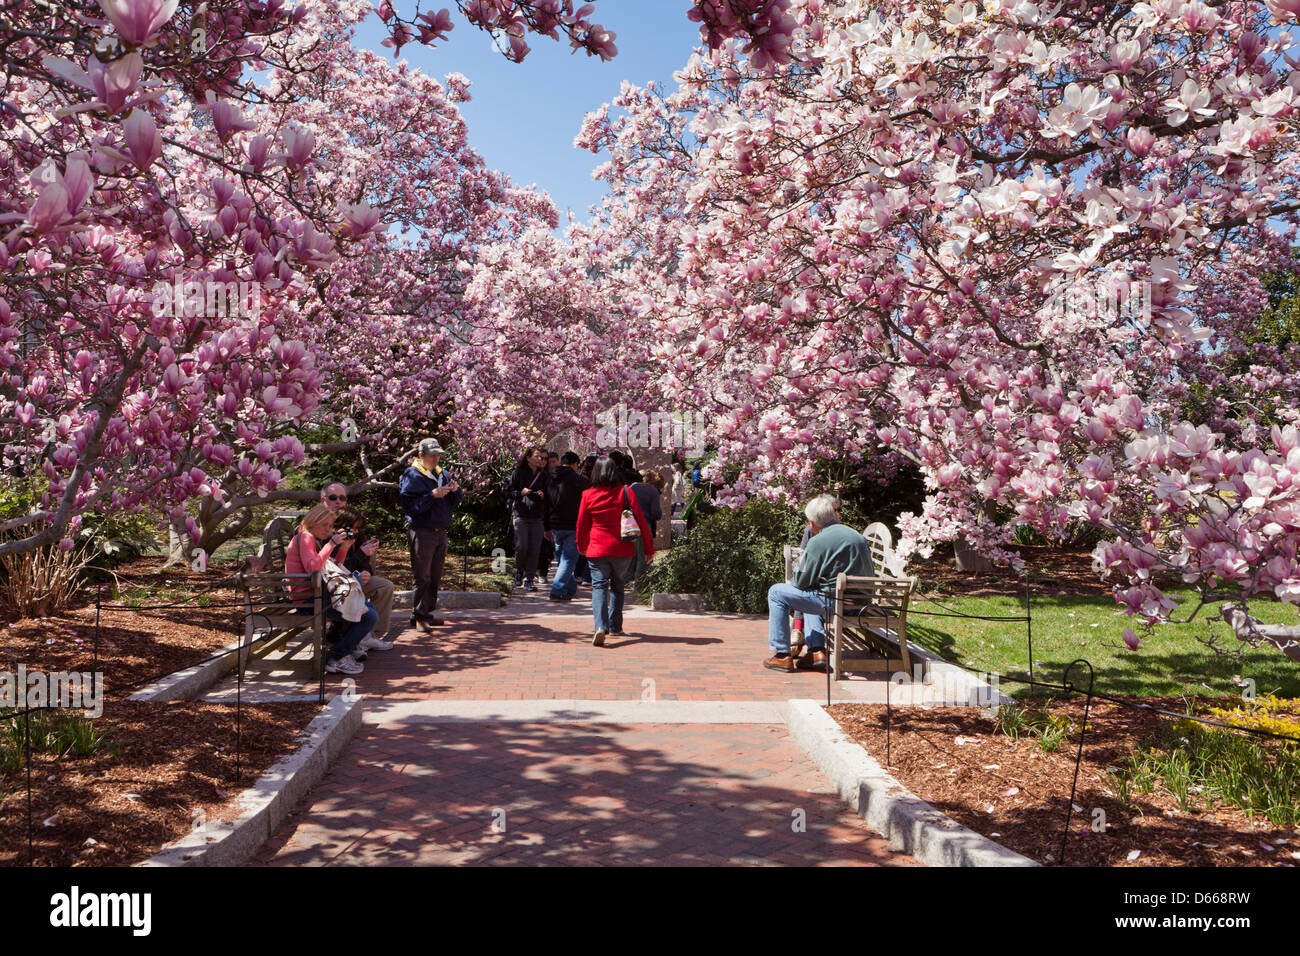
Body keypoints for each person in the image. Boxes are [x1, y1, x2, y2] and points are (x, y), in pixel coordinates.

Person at [763, 494, 873, 673]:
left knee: (776, 592)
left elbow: (799, 581)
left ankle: (782, 655)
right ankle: (816, 652)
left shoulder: (816, 541)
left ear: (811, 523)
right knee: (811, 592)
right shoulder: (857, 536)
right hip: (860, 604)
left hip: (835, 603)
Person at [285, 505, 385, 675]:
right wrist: (331, 544)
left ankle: (344, 650)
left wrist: (344, 548)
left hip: (317, 594)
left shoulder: (312, 538)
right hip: (308, 599)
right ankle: (338, 657)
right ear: (313, 521)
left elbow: (332, 565)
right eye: (325, 525)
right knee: (368, 616)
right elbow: (313, 568)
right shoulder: (305, 538)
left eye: (330, 526)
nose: (328, 530)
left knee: (368, 610)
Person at [577, 456, 653, 646]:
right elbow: (642, 521)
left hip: (597, 548)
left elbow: (581, 524)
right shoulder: (625, 492)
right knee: (618, 587)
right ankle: (615, 627)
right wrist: (649, 547)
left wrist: (581, 545)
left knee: (599, 586)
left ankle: (600, 626)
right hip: (622, 548)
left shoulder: (587, 495)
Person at [399, 438, 462, 631]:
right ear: (421, 455)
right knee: (422, 576)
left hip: (440, 531)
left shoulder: (442, 473)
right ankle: (418, 616)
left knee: (435, 575)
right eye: (432, 455)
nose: (436, 458)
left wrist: (455, 491)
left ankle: (425, 612)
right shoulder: (412, 474)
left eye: (438, 455)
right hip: (422, 531)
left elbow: (453, 502)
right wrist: (431, 495)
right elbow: (409, 506)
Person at [321, 482, 395, 643]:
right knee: (356, 584)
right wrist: (360, 554)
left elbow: (361, 560)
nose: (338, 501)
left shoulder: (351, 523)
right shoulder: (320, 529)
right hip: (329, 586)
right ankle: (349, 640)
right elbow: (333, 568)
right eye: (333, 497)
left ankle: (369, 634)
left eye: (342, 498)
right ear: (323, 501)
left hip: (351, 578)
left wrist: (366, 570)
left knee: (384, 586)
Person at [505, 446, 550, 591]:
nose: (540, 460)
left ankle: (529, 579)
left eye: (542, 458)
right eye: (537, 456)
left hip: (537, 516)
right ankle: (519, 571)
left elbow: (550, 496)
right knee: (522, 546)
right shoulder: (518, 473)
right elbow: (507, 491)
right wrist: (521, 493)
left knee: (535, 549)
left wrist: (543, 496)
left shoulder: (543, 476)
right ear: (528, 457)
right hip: (521, 515)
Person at [546, 451, 589, 601]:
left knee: (562, 559)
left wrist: (546, 526)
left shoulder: (549, 479)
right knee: (568, 559)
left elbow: (546, 504)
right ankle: (557, 590)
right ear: (574, 464)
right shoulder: (579, 480)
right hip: (573, 525)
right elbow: (587, 504)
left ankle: (570, 588)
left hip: (555, 525)